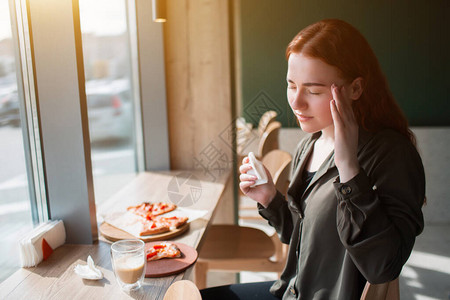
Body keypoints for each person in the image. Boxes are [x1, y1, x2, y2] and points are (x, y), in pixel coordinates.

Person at [200, 18, 425, 300]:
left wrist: (348, 168)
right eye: (291, 85)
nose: (296, 102)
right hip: (292, 291)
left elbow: (383, 267)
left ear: (355, 89)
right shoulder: (311, 144)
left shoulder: (392, 155)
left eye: (314, 90)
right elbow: (307, 239)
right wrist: (270, 199)